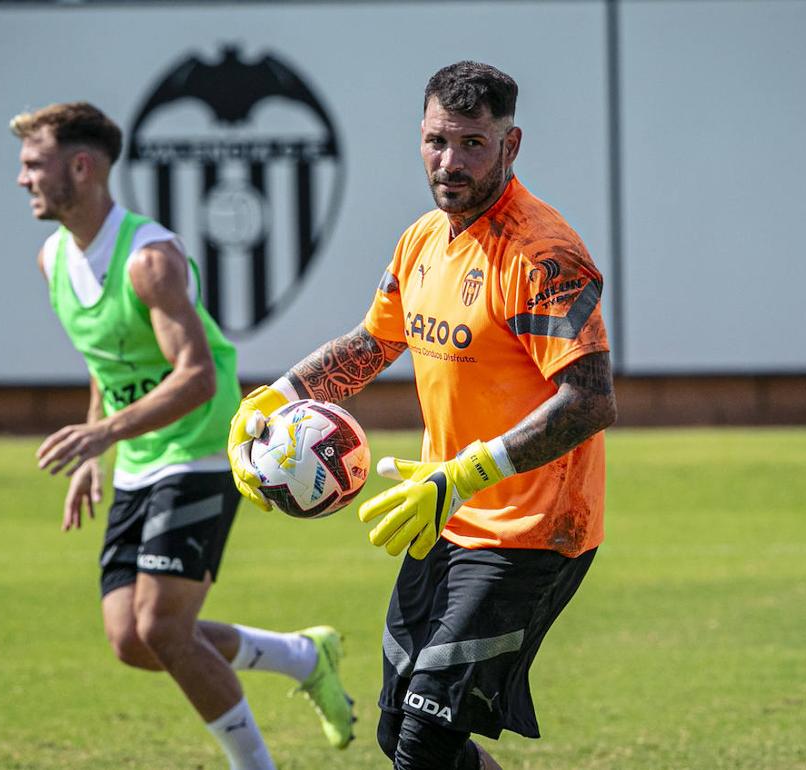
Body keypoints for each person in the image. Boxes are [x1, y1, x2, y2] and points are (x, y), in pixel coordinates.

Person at [227, 62, 617, 770]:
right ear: (420, 135)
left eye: (472, 143)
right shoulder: (421, 240)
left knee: (425, 742)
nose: (451, 161)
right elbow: (376, 341)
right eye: (439, 140)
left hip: (531, 532)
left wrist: (468, 472)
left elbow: (591, 400)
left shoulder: (543, 254)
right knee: (400, 731)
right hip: (442, 518)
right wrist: (276, 397)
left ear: (511, 145)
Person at [12, 101, 354, 769]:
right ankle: (303, 655)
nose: (22, 179)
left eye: (33, 164)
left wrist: (101, 432)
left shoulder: (150, 259)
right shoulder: (53, 259)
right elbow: (105, 360)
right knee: (131, 641)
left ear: (80, 167)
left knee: (162, 627)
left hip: (200, 447)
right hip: (141, 454)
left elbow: (196, 378)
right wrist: (99, 443)